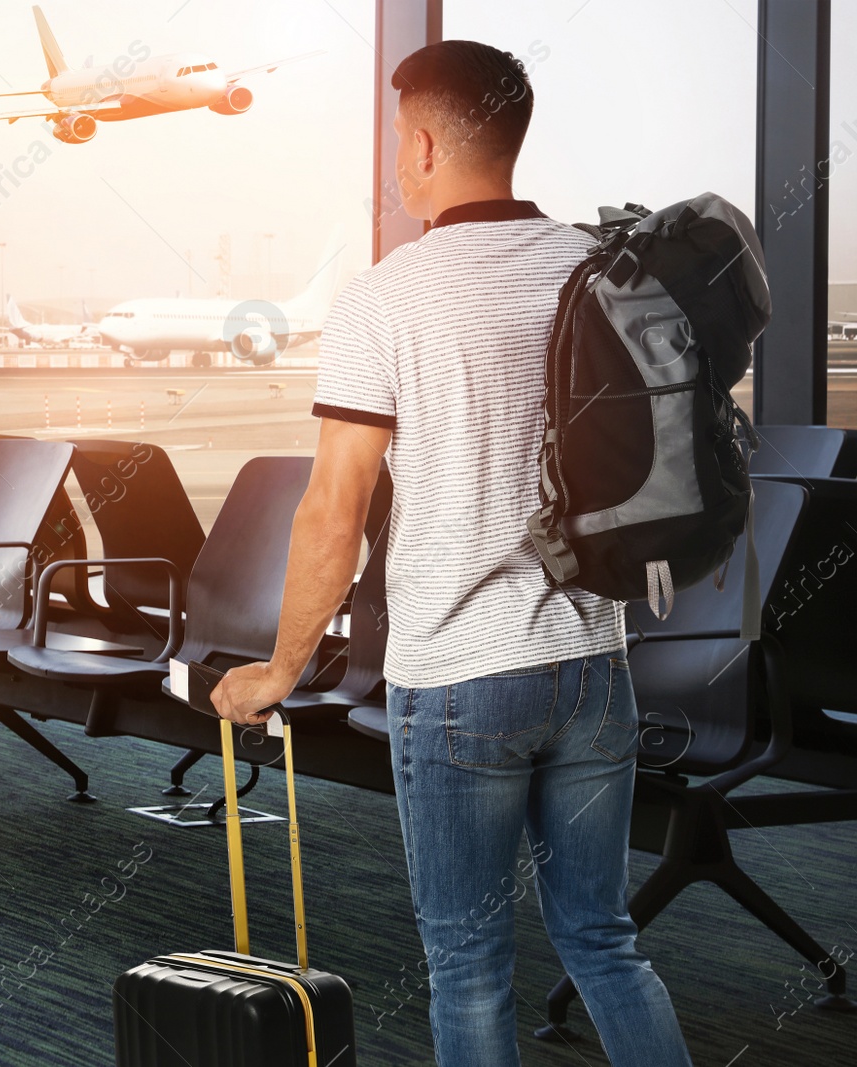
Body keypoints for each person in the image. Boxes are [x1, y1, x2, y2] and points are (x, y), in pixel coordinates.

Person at [209, 39, 693, 1067]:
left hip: (461, 675)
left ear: (423, 144)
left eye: (398, 139)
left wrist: (280, 670)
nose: (395, 160)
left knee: (468, 961)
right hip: (593, 667)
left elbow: (332, 513)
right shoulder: (595, 267)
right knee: (604, 940)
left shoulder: (387, 297)